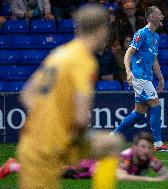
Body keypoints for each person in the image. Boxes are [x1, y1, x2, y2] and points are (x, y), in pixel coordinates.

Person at [16, 5, 123, 189]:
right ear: (102, 30)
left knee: (111, 143)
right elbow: (81, 119)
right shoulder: (84, 62)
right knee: (111, 142)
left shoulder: (59, 53)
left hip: (38, 140)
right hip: (44, 150)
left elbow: (26, 95)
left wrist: (49, 118)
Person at [111, 6, 168, 152]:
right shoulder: (141, 33)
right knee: (156, 105)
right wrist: (128, 71)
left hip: (148, 78)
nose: (162, 16)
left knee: (139, 113)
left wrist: (161, 78)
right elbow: (128, 53)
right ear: (151, 17)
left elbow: (154, 60)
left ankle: (112, 136)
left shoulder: (156, 37)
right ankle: (158, 144)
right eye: (159, 14)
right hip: (139, 77)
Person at [1, 132, 168, 182]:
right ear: (134, 148)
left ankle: (15, 166)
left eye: (148, 148)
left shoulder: (148, 159)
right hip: (85, 166)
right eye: (142, 147)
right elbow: (120, 176)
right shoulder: (126, 158)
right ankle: (13, 166)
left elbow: (165, 172)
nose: (146, 151)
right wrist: (152, 181)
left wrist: (167, 175)